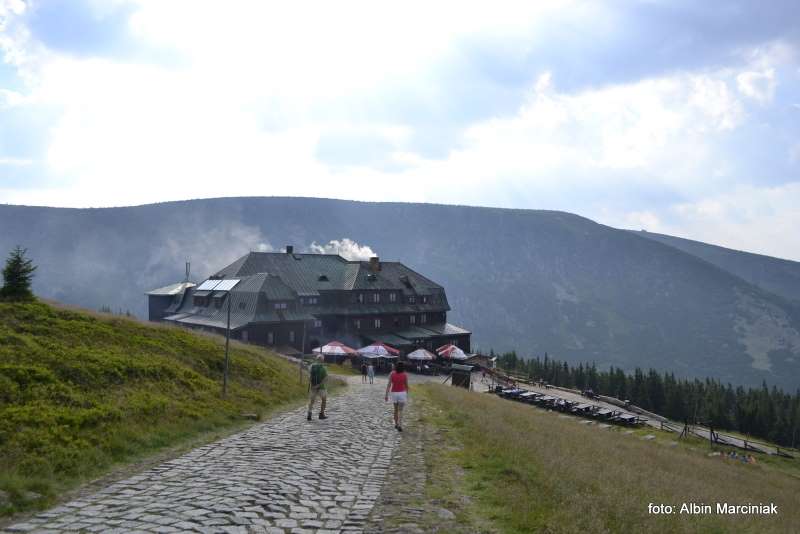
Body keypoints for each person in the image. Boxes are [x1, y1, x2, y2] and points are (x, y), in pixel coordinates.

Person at [385, 361, 409, 431]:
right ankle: (400, 425)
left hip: (394, 393)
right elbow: (406, 385)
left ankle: (396, 424)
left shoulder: (392, 373)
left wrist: (386, 394)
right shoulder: (404, 374)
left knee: (395, 410)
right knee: (401, 410)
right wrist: (407, 394)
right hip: (402, 393)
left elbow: (389, 385)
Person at [308, 354, 328, 421]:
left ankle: (309, 413)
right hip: (321, 387)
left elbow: (310, 377)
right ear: (322, 360)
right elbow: (325, 378)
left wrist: (312, 385)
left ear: (317, 359)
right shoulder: (323, 367)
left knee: (312, 400)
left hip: (313, 386)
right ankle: (321, 414)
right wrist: (319, 385)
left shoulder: (312, 366)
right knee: (324, 399)